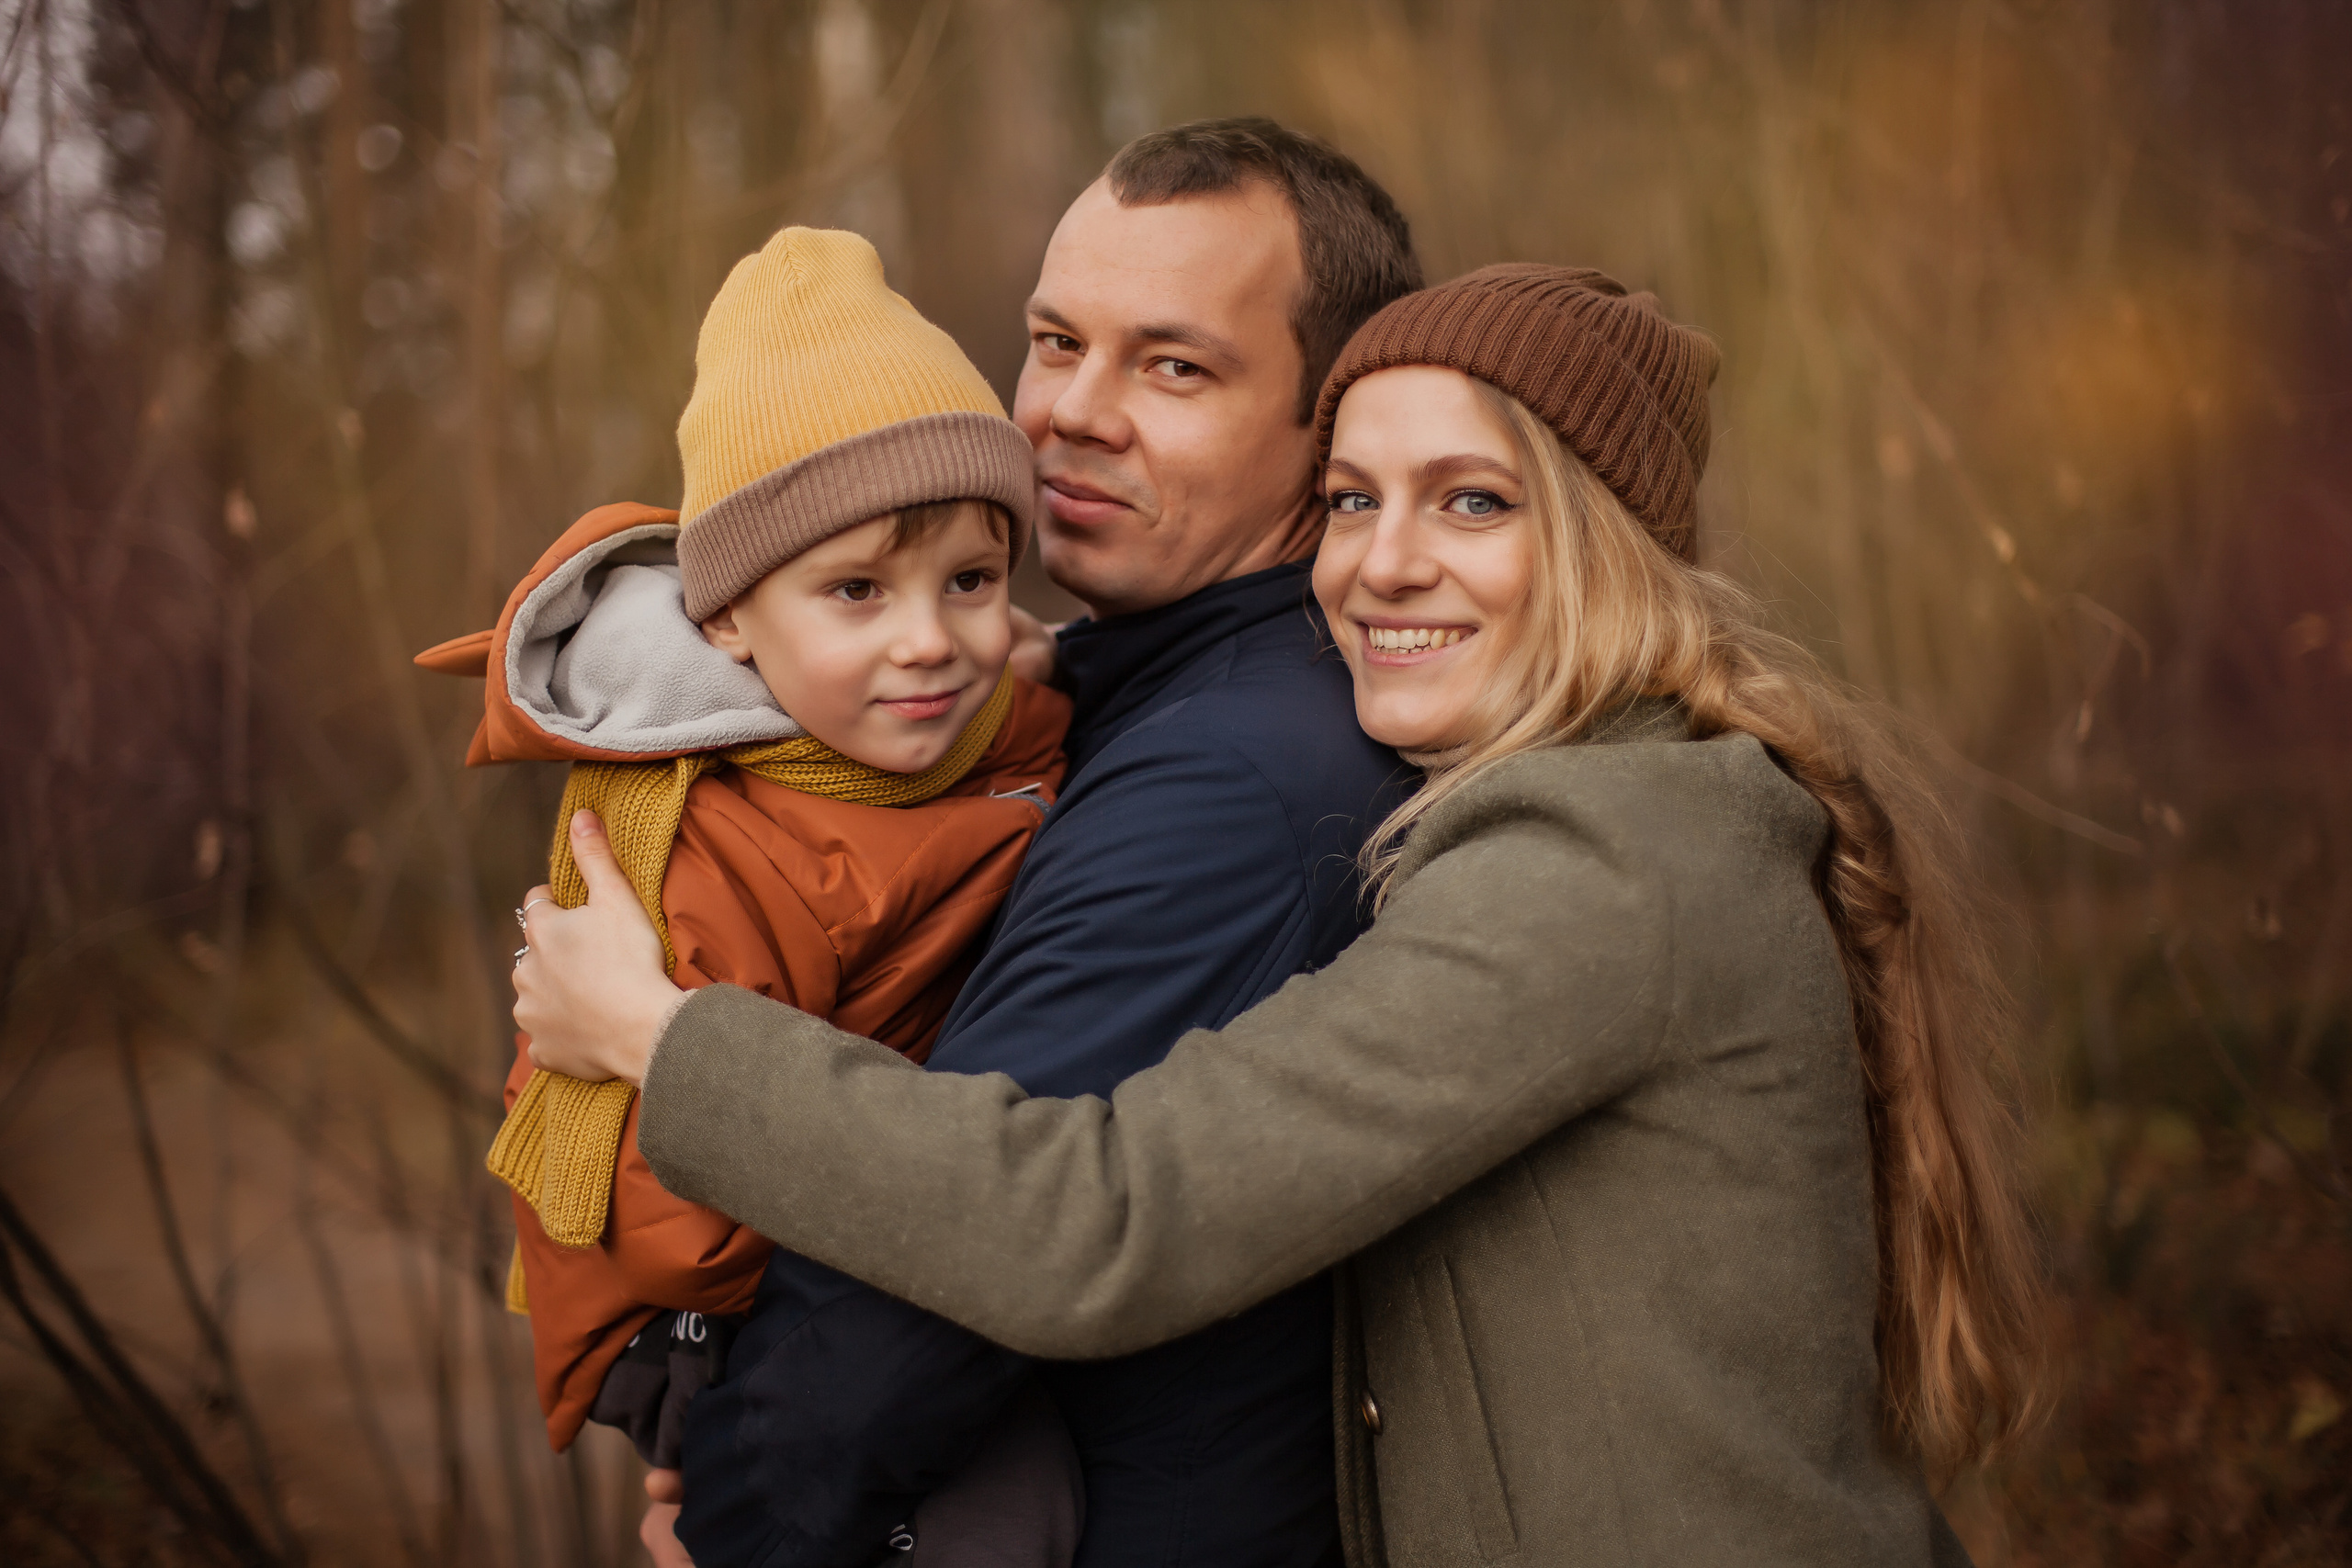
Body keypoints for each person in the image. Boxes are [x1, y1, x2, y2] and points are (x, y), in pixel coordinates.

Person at [517, 265, 2051, 1565]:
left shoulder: (1597, 869)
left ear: (1605, 543)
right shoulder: (1626, 808)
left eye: (1471, 501)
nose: (1384, 561)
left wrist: (664, 1038)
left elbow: (1104, 1217)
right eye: (1350, 499)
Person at [524, 118, 1421, 1567]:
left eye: (1175, 364)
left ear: (1336, 427)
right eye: (1057, 341)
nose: (1072, 412)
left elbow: (937, 1286)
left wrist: (741, 1520)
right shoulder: (1100, 697)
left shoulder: (1229, 782)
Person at [415, 225, 1080, 1566]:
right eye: (855, 591)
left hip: (803, 1227)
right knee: (1015, 1505)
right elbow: (676, 1219)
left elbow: (1032, 737)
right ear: (730, 621)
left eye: (970, 579)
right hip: (687, 1310)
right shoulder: (720, 851)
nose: (929, 640)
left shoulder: (949, 721)